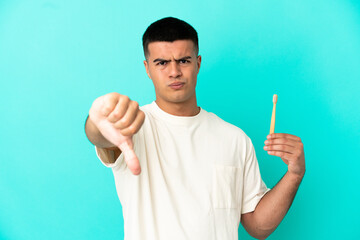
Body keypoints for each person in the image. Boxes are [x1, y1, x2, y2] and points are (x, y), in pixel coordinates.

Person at [84, 17, 305, 240]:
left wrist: (294, 174)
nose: (174, 72)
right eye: (162, 63)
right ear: (147, 68)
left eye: (183, 61)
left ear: (198, 63)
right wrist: (96, 122)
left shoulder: (234, 138)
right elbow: (101, 136)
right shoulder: (133, 128)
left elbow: (257, 226)